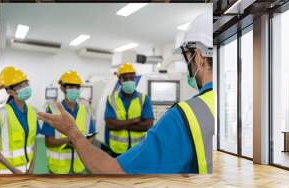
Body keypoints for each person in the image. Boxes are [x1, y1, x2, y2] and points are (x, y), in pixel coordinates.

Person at [38, 13, 214, 174]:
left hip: (124, 159)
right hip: (90, 159)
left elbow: (115, 167)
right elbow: (111, 124)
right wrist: (135, 121)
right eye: (70, 86)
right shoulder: (227, 106)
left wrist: (72, 132)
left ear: (198, 57)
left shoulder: (182, 116)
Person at [41, 70, 96, 174]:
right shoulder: (53, 110)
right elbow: (49, 142)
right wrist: (67, 140)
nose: (74, 90)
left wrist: (81, 142)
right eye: (71, 87)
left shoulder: (86, 110)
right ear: (62, 88)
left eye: (77, 87)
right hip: (58, 169)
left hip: (79, 167)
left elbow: (91, 136)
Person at [104, 63, 154, 157]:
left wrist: (120, 124)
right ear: (119, 81)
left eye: (131, 78)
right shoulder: (111, 99)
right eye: (125, 79)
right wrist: (134, 121)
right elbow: (110, 125)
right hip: (117, 150)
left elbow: (147, 125)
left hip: (139, 149)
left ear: (135, 79)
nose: (129, 81)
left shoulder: (144, 99)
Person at [0, 66, 40, 174]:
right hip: (7, 172)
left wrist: (32, 167)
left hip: (27, 170)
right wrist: (14, 170)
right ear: (9, 91)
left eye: (26, 84)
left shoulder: (32, 112)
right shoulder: (1, 114)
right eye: (20, 86)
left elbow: (34, 142)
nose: (25, 88)